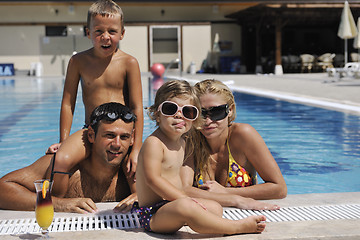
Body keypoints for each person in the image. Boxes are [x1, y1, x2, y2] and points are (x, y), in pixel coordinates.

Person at [134, 80, 267, 235]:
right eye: (170, 109)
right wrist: (184, 199)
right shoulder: (154, 143)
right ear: (157, 113)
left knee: (215, 207)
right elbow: (153, 180)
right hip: (152, 214)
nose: (179, 115)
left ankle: (202, 220)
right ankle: (235, 227)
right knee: (187, 206)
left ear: (195, 118)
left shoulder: (182, 142)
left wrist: (187, 201)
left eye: (188, 112)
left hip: (171, 206)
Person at [47, 0, 143, 182]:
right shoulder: (78, 62)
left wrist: (136, 148)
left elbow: (137, 107)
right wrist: (63, 140)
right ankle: (59, 203)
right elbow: (68, 103)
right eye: (99, 31)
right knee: (61, 160)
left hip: (120, 133)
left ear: (122, 34)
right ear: (88, 33)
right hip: (90, 130)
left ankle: (136, 205)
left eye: (112, 31)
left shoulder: (129, 63)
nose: (105, 36)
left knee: (136, 171)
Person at [0, 102, 137, 214]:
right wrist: (58, 204)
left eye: (124, 137)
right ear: (91, 135)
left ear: (132, 139)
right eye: (109, 135)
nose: (117, 144)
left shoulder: (132, 170)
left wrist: (145, 197)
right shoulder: (67, 168)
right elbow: (3, 188)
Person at [181, 79, 287, 207]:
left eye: (216, 112)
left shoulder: (243, 135)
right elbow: (183, 189)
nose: (208, 121)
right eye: (201, 114)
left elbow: (279, 188)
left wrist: (226, 191)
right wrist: (234, 199)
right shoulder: (190, 140)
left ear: (230, 110)